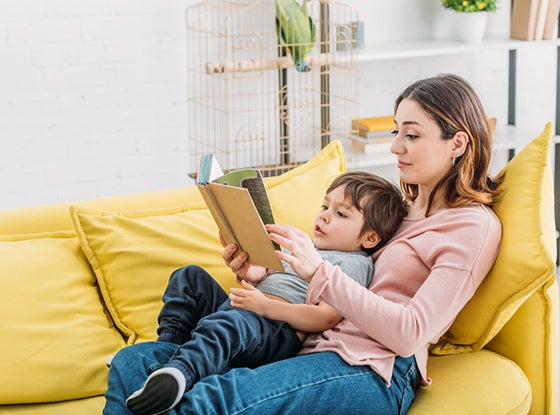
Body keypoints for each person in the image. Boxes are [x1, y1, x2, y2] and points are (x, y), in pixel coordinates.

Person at [104, 73, 503, 415]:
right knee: (133, 362)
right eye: (396, 131)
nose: (396, 146)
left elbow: (410, 333)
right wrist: (258, 272)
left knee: (210, 400)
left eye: (412, 135)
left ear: (458, 143)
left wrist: (318, 272)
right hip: (303, 344)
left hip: (371, 369)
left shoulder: (471, 226)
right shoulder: (402, 208)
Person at [123, 171, 408, 415]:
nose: (324, 216)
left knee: (233, 323)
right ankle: (167, 358)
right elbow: (273, 278)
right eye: (325, 205)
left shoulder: (352, 263)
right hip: (250, 312)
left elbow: (326, 318)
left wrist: (265, 307)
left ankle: (182, 372)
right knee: (189, 278)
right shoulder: (307, 246)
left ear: (369, 238)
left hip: (276, 331)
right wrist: (257, 275)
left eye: (341, 213)